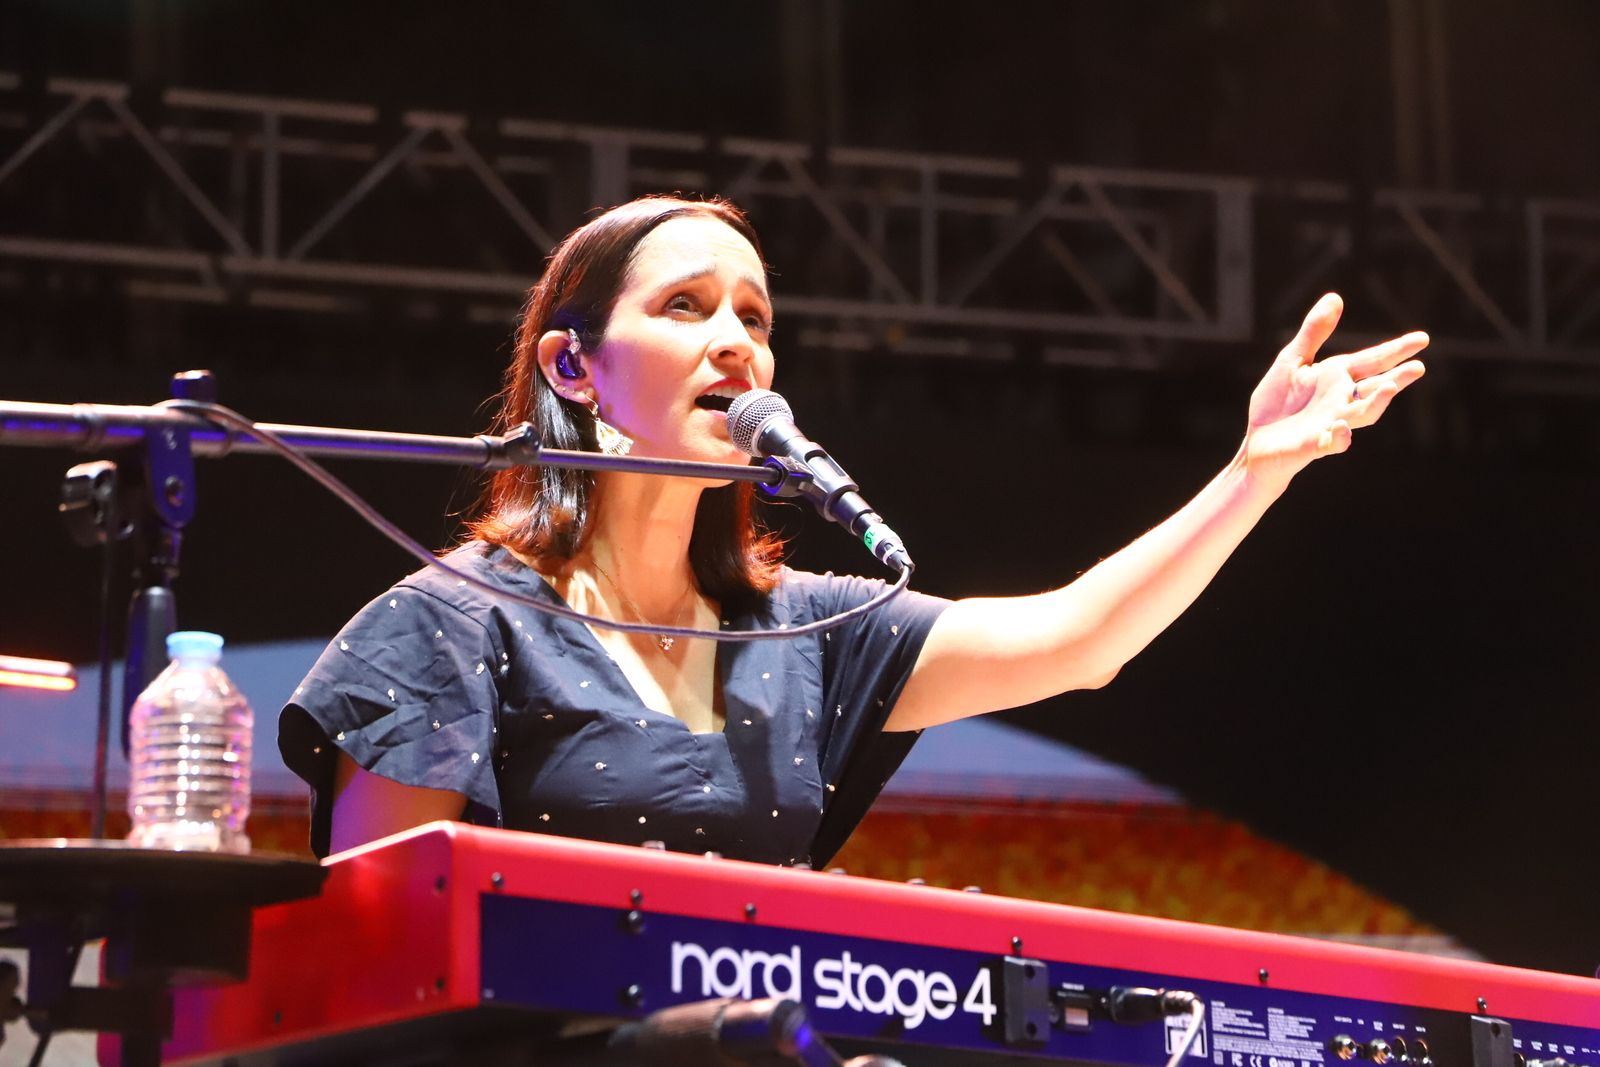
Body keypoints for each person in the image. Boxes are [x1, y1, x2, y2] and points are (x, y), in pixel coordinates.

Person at [280, 194, 1427, 864]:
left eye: (754, 315)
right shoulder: (445, 625)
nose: (735, 339)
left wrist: (1252, 470)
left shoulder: (810, 631)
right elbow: (382, 961)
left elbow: (1081, 642)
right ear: (572, 366)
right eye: (685, 306)